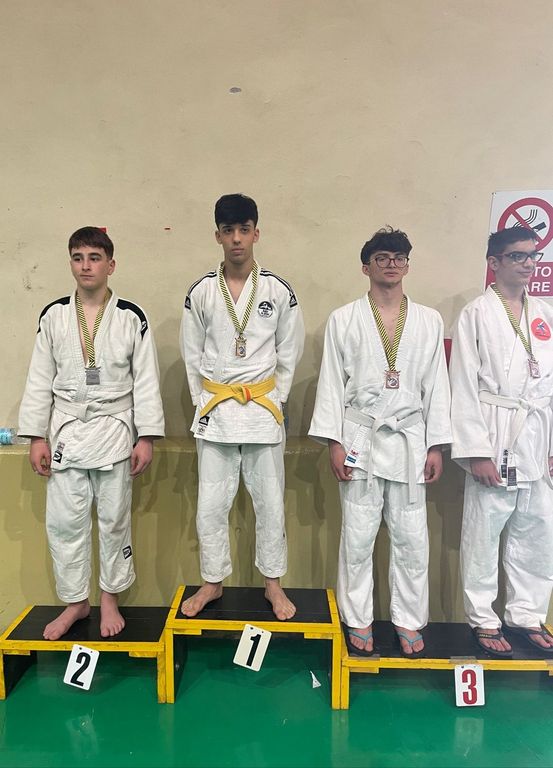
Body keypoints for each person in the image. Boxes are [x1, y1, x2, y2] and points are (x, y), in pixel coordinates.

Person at [309, 226, 451, 657]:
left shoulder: (428, 319)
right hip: (360, 436)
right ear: (366, 267)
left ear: (407, 265)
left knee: (412, 538)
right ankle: (358, 618)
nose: (391, 264)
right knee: (357, 537)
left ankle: (408, 619)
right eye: (382, 257)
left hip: (410, 439)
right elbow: (332, 383)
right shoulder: (344, 318)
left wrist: (436, 444)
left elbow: (437, 386)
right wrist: (334, 442)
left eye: (399, 257)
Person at [18, 226, 165, 640]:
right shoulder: (53, 316)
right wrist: (36, 437)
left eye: (95, 258)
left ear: (110, 265)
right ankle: (75, 601)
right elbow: (39, 378)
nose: (86, 266)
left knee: (114, 519)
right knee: (65, 522)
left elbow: (146, 380)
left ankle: (109, 598)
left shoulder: (131, 317)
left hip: (114, 428)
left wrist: (146, 437)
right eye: (78, 257)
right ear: (71, 262)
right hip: (67, 428)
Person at [180, 194, 304, 620]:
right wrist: (202, 401)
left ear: (256, 233)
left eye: (244, 230)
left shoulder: (278, 291)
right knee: (211, 504)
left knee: (270, 503)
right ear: (217, 236)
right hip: (216, 408)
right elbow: (191, 354)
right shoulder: (200, 292)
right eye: (228, 231)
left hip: (262, 409)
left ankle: (273, 584)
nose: (236, 239)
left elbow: (289, 352)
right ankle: (212, 581)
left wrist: (276, 399)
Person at [450, 226, 553, 657]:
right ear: (494, 262)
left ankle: (527, 614)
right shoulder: (476, 313)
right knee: (484, 531)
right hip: (495, 434)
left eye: (532, 255)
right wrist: (476, 452)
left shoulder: (544, 312)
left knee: (538, 529)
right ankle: (483, 617)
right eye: (517, 256)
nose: (528, 263)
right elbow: (462, 384)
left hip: (537, 433)